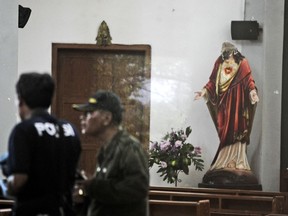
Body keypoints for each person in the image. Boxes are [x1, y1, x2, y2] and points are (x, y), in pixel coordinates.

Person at [6, 72, 81, 216]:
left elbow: (18, 181)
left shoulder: (23, 130)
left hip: (33, 210)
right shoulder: (69, 129)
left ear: (21, 101)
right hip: (64, 209)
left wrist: (6, 185)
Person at [72, 90, 149, 216]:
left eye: (89, 113)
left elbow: (137, 189)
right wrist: (85, 193)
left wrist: (93, 186)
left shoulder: (129, 147)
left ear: (107, 118)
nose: (82, 117)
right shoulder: (106, 149)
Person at [194, 42, 259, 171]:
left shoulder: (242, 62)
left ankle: (239, 161)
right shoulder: (219, 62)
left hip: (239, 102)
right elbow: (212, 81)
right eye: (224, 53)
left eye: (228, 53)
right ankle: (224, 161)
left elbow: (248, 80)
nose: (226, 56)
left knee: (238, 129)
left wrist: (252, 92)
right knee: (225, 130)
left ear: (234, 52)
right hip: (224, 104)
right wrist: (204, 91)